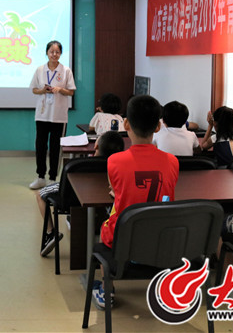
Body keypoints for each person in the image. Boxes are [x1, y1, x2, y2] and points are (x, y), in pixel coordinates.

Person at [94, 95, 179, 309]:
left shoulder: (114, 160)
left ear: (126, 124)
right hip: (161, 240)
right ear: (158, 126)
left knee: (107, 225)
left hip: (124, 241)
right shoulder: (172, 162)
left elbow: (117, 189)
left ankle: (106, 290)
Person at [37, 130, 125, 257]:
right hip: (102, 198)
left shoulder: (77, 165)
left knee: (40, 195)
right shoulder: (117, 166)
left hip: (69, 200)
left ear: (96, 146)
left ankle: (51, 233)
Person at [28, 40, 76, 189]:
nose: (54, 54)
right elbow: (34, 89)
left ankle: (53, 178)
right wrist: (43, 90)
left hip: (59, 116)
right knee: (40, 146)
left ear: (60, 54)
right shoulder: (40, 70)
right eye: (51, 51)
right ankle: (40, 176)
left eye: (57, 52)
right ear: (47, 53)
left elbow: (71, 92)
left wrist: (59, 90)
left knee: (56, 147)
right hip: (42, 114)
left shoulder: (66, 70)